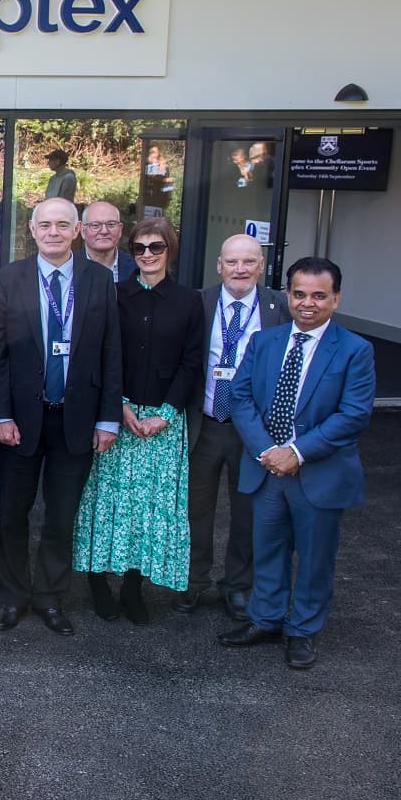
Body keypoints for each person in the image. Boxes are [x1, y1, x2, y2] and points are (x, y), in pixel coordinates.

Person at [219, 257, 375, 670]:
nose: (308, 303)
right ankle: (265, 619)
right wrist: (268, 451)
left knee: (314, 557)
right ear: (287, 295)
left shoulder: (356, 350)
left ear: (336, 299)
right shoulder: (264, 342)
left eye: (319, 296)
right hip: (268, 467)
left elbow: (353, 415)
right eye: (299, 294)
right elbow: (241, 396)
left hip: (318, 472)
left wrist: (297, 452)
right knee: (266, 549)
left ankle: (302, 629)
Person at [0, 198, 122, 636]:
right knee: (12, 515)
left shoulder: (99, 280)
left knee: (62, 517)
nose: (54, 232)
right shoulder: (9, 279)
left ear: (77, 230)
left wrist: (108, 419)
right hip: (21, 420)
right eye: (46, 225)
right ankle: (12, 597)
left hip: (76, 418)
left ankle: (49, 597)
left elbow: (110, 352)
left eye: (63, 225)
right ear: (32, 228)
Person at [72, 219, 203, 624]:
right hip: (116, 417)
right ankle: (97, 584)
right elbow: (103, 354)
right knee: (105, 504)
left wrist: (165, 414)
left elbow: (192, 361)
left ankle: (132, 587)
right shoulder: (115, 295)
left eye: (156, 247)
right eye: (140, 247)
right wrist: (120, 406)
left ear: (170, 250)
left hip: (163, 423)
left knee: (149, 510)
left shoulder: (188, 301)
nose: (147, 254)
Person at [176, 234, 291, 618]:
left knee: (248, 512)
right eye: (232, 262)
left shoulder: (280, 308)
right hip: (204, 424)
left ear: (260, 266)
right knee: (195, 509)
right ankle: (193, 581)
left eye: (249, 262)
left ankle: (239, 585)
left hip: (253, 430)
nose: (240, 269)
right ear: (220, 265)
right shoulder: (198, 302)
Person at [77, 201, 137, 283]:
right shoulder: (68, 267)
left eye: (111, 225)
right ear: (83, 231)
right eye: (95, 225)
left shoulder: (137, 268)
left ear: (120, 230)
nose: (104, 231)